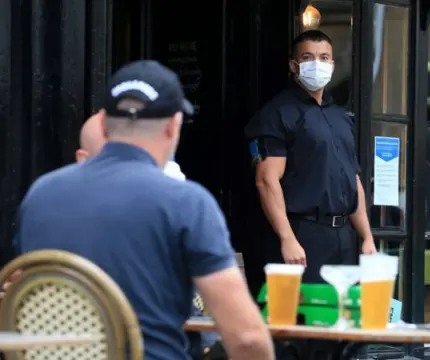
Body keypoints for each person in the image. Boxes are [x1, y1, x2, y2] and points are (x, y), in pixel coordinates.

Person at [13, 60, 274, 360]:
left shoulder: (41, 194)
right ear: (174, 125)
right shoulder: (186, 202)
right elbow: (247, 338)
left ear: (106, 122)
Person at [244, 30, 376, 284]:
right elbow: (266, 181)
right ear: (294, 65)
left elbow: (352, 179)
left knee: (342, 319)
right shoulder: (277, 114)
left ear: (333, 64)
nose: (318, 64)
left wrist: (367, 237)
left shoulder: (340, 117)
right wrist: (287, 238)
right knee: (304, 317)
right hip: (303, 236)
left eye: (324, 57)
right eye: (308, 57)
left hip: (344, 239)